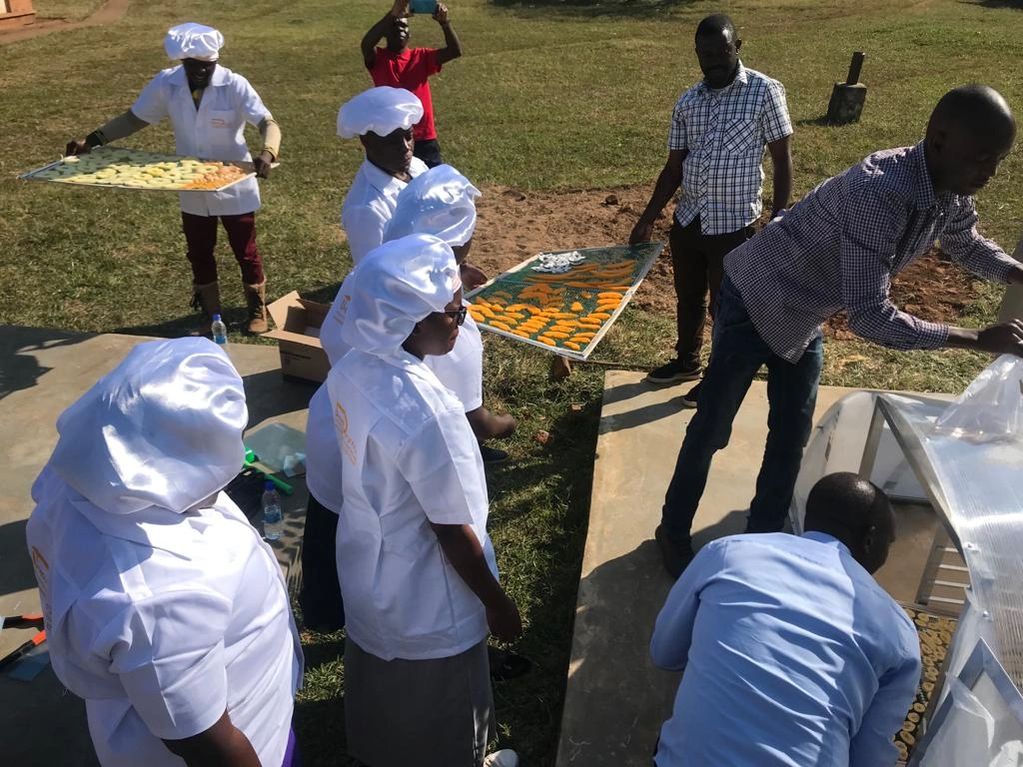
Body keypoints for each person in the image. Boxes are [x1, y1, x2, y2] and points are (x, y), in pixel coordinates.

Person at [655, 84, 1023, 578]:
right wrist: (977, 339)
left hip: (804, 315)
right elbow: (870, 316)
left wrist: (1017, 272)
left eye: (998, 160)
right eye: (983, 159)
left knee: (790, 438)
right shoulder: (882, 194)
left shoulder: (948, 190)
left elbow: (966, 243)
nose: (991, 174)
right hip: (754, 299)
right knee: (712, 430)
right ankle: (673, 531)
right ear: (939, 140)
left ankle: (762, 544)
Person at [26, 337, 303, 767]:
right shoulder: (157, 597)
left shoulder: (84, 472)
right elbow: (205, 744)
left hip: (234, 694)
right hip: (248, 744)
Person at [326, 233, 520, 767]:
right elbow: (452, 529)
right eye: (455, 313)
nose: (463, 320)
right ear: (413, 321)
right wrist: (496, 603)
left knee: (387, 688)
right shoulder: (428, 410)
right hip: (431, 592)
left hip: (371, 564)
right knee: (448, 704)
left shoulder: (352, 366)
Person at [651, 473, 921, 767]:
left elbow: (664, 652)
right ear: (869, 540)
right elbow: (869, 757)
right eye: (888, 544)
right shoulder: (898, 632)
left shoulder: (729, 554)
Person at [64, 23, 281, 336]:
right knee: (199, 250)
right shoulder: (167, 83)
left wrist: (267, 154)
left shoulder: (234, 84)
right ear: (182, 63)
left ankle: (256, 308)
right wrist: (93, 140)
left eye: (205, 67)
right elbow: (134, 118)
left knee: (244, 249)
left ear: (215, 62)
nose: (198, 73)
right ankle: (211, 313)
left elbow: (267, 122)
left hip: (233, 181)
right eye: (191, 67)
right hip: (190, 182)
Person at [630, 13, 792, 402]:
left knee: (727, 308)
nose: (714, 61)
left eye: (722, 52)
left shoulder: (763, 91)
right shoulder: (688, 101)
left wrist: (779, 218)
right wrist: (647, 218)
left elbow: (782, 159)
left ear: (737, 47)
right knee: (688, 298)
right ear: (697, 54)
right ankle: (686, 361)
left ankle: (720, 378)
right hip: (690, 219)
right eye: (706, 54)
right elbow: (673, 169)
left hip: (735, 223)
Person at [383, 163, 518, 462]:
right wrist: (507, 425)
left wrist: (459, 267)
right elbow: (478, 421)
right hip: (429, 454)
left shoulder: (379, 281)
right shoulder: (449, 337)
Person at [362, 0, 462, 168]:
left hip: (423, 136)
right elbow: (366, 44)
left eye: (404, 27)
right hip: (392, 137)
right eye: (395, 25)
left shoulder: (421, 57)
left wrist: (445, 23)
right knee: (397, 186)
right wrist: (394, 12)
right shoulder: (378, 59)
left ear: (409, 35)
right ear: (385, 32)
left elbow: (454, 51)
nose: (400, 29)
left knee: (432, 185)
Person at [338, 86, 429, 264]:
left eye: (408, 136)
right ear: (366, 142)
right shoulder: (365, 210)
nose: (405, 147)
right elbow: (374, 275)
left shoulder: (417, 167)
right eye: (393, 141)